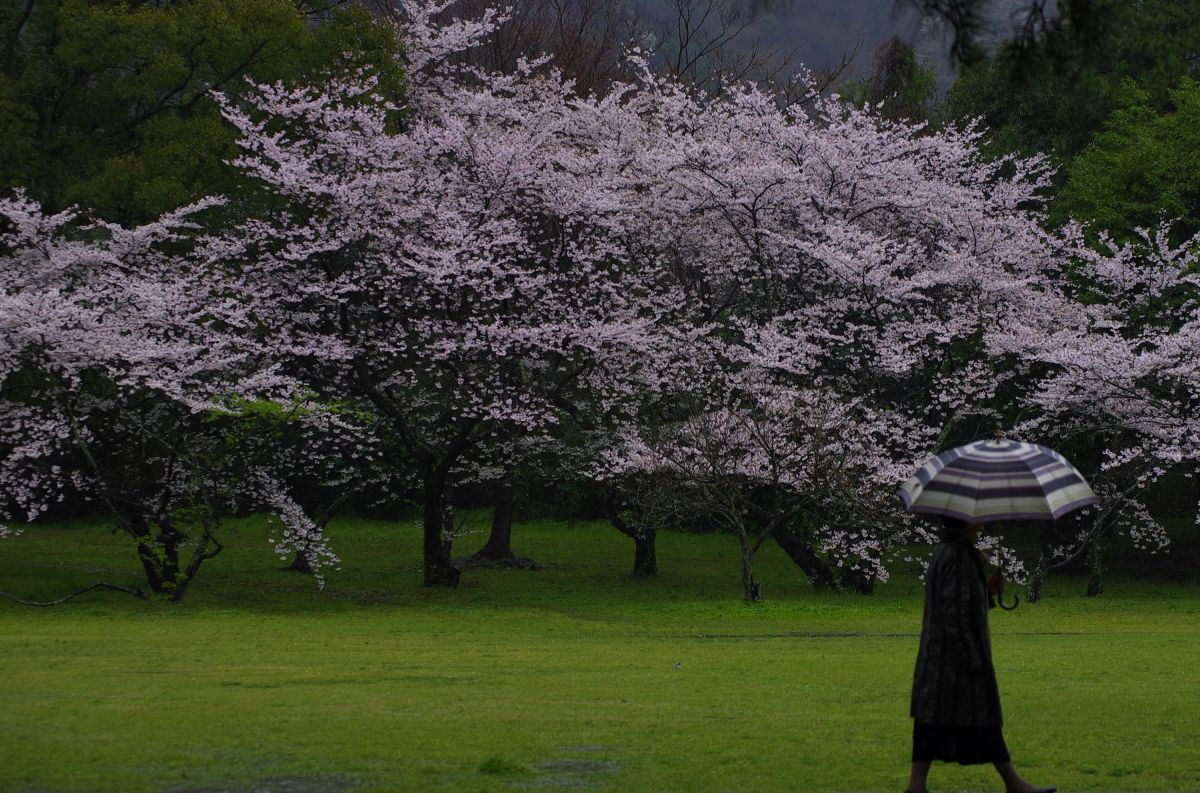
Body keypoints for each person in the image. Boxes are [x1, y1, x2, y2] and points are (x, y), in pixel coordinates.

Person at [905, 516, 1055, 793]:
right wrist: (971, 656)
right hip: (954, 657)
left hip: (938, 655)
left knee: (932, 719)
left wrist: (987, 590)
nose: (984, 520)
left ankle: (918, 785)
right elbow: (955, 609)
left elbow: (960, 599)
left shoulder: (944, 552)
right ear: (966, 521)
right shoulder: (959, 556)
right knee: (978, 717)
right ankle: (1013, 783)